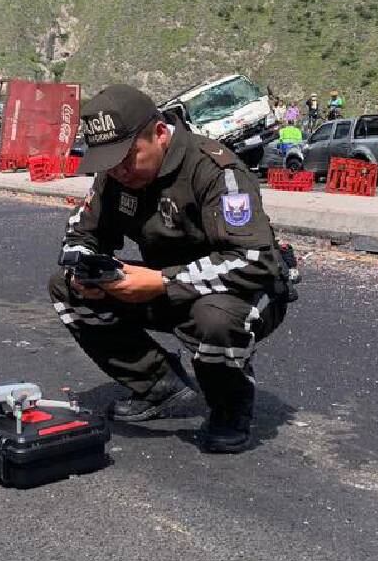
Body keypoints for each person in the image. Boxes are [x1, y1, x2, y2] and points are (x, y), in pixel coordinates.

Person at [48, 85, 290, 454]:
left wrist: (163, 282)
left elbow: (255, 259)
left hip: (241, 288)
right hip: (165, 284)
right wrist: (84, 270)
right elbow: (81, 233)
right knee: (64, 287)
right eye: (109, 162)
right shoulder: (116, 175)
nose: (119, 171)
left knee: (215, 319)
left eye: (127, 157)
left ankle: (230, 408)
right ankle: (158, 386)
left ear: (160, 134)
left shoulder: (216, 171)